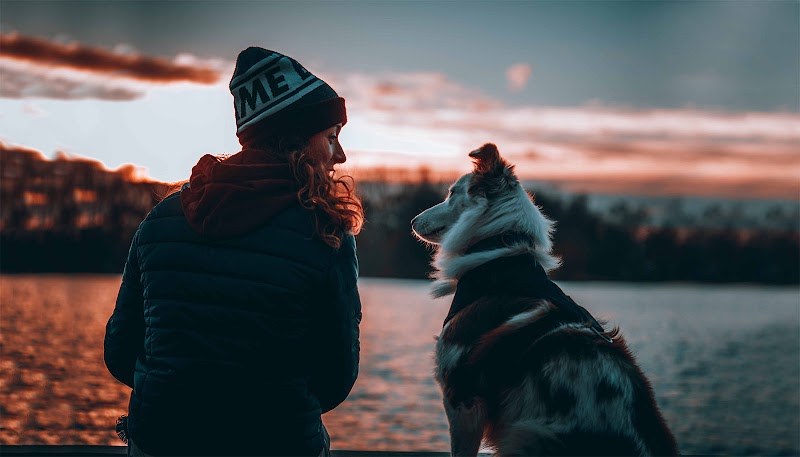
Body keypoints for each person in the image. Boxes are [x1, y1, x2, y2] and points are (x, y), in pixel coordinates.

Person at [104, 47, 364, 456]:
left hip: (162, 441)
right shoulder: (325, 232)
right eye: (331, 138)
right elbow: (336, 377)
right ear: (297, 140)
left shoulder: (160, 220)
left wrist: (183, 396)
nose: (340, 155)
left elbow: (120, 353)